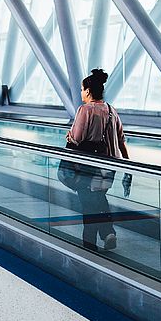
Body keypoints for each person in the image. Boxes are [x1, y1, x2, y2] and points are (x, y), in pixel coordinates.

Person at [64, 69, 130, 252]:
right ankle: (108, 233)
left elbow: (76, 138)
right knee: (99, 197)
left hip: (88, 166)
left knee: (88, 202)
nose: (81, 93)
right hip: (109, 166)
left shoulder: (85, 110)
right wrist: (128, 164)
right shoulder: (111, 110)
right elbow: (121, 140)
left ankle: (90, 243)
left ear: (87, 91)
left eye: (81, 89)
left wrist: (68, 136)